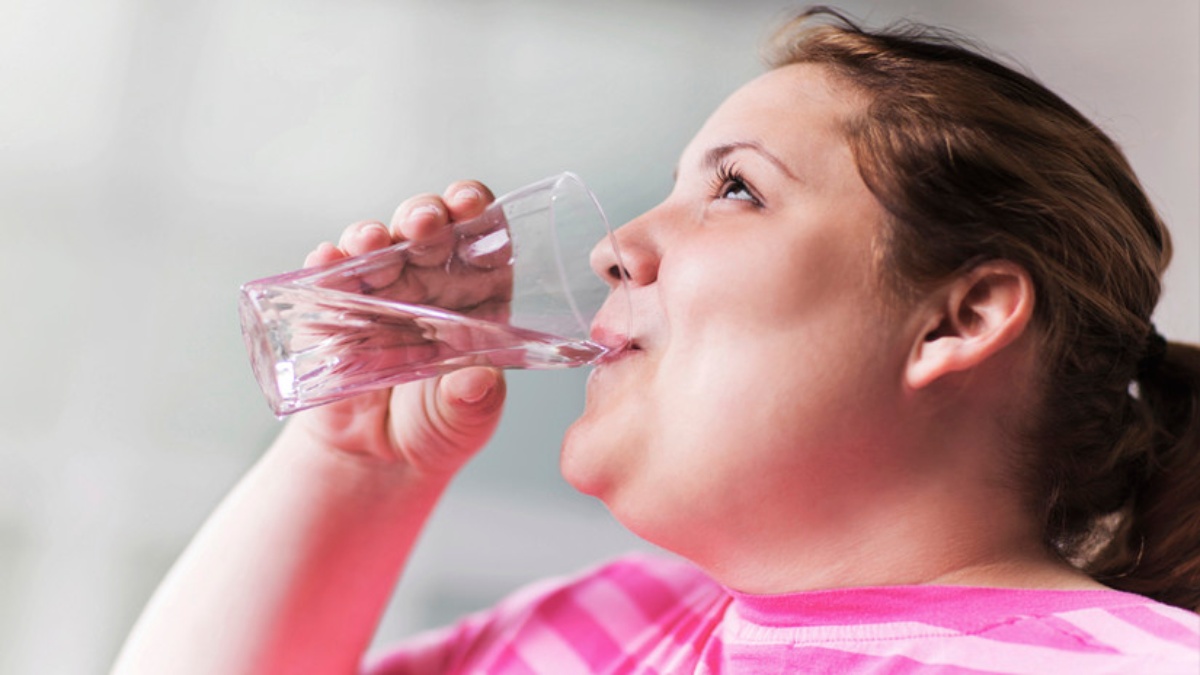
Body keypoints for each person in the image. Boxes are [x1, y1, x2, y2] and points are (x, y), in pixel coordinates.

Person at [112, 7, 1200, 674]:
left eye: (735, 189)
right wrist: (357, 465)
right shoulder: (599, 629)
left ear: (959, 319)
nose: (616, 248)